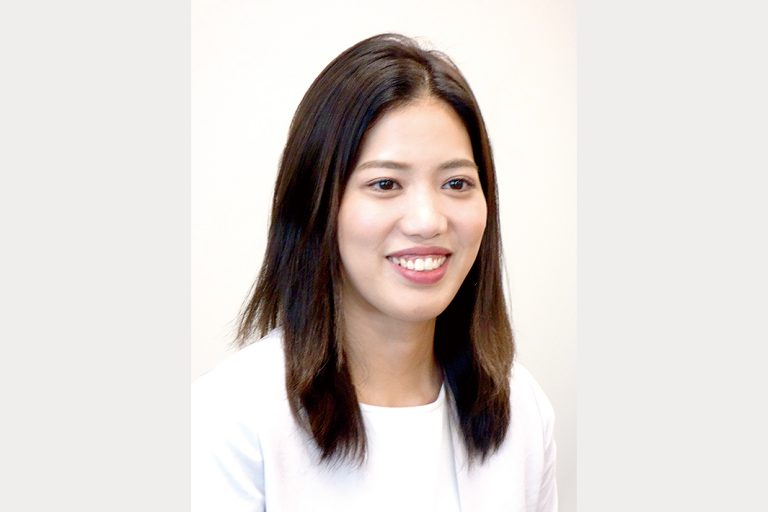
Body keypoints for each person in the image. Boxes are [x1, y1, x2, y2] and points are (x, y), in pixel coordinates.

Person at [192, 33, 557, 511]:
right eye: (385, 183)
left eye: (456, 183)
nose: (427, 221)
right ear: (317, 204)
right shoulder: (231, 419)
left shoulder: (521, 410)